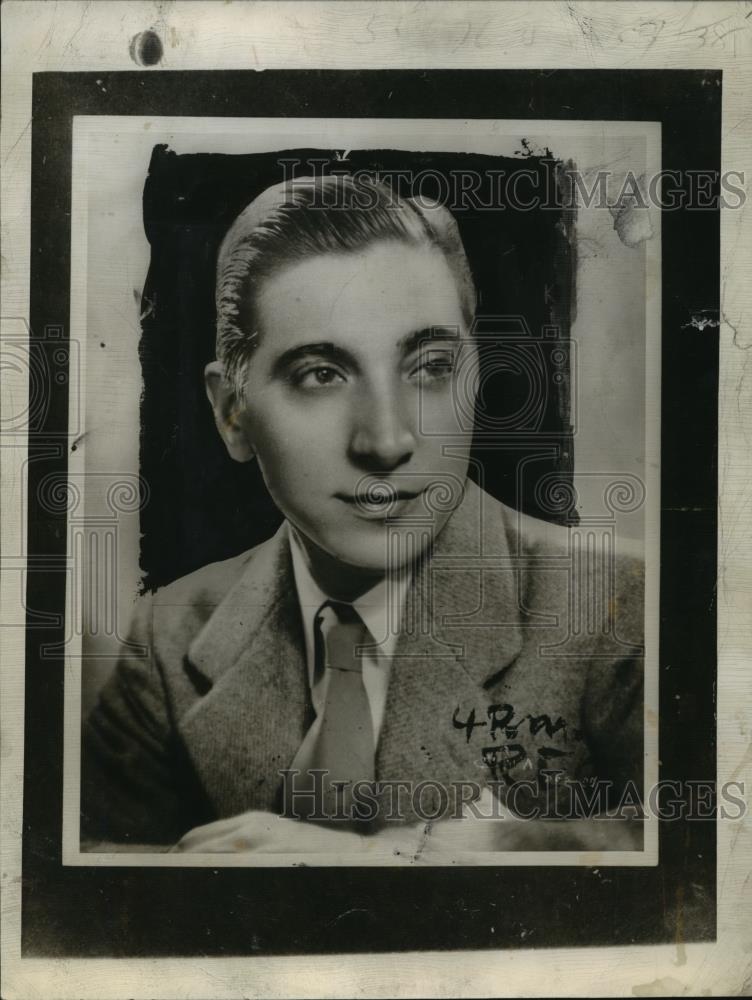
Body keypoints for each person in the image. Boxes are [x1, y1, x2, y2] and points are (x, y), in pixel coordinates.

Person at [81, 174, 644, 855]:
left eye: (430, 366)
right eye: (320, 374)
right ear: (232, 413)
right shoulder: (167, 641)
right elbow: (94, 900)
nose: (386, 441)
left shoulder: (621, 604)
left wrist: (388, 861)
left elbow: (706, 865)